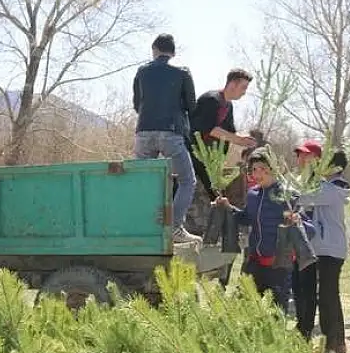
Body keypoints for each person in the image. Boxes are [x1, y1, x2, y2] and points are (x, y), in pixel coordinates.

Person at [215, 149, 313, 311]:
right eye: (254, 169)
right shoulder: (253, 194)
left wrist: (297, 221)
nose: (257, 173)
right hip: (254, 264)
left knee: (275, 315)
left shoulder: (287, 195)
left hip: (278, 267)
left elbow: (310, 230)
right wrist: (227, 207)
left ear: (273, 168)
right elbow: (246, 218)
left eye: (262, 168)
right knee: (248, 311)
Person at [131, 33, 200, 243]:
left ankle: (141, 227)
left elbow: (137, 104)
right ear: (173, 53)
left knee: (142, 182)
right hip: (171, 132)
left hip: (143, 132)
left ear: (154, 49)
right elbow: (191, 105)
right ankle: (175, 227)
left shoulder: (142, 72)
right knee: (187, 180)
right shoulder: (182, 73)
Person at [296, 141, 350, 353]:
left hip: (331, 249)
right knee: (326, 295)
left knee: (328, 295)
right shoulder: (325, 185)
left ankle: (335, 341)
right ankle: (335, 340)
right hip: (320, 247)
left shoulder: (336, 188)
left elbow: (302, 197)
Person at [188, 69, 258, 200]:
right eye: (243, 88)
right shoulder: (211, 99)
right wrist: (238, 140)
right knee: (213, 192)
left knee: (218, 191)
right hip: (195, 152)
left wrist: (245, 140)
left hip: (213, 157)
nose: (244, 93)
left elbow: (230, 132)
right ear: (232, 84)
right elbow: (210, 129)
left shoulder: (228, 105)